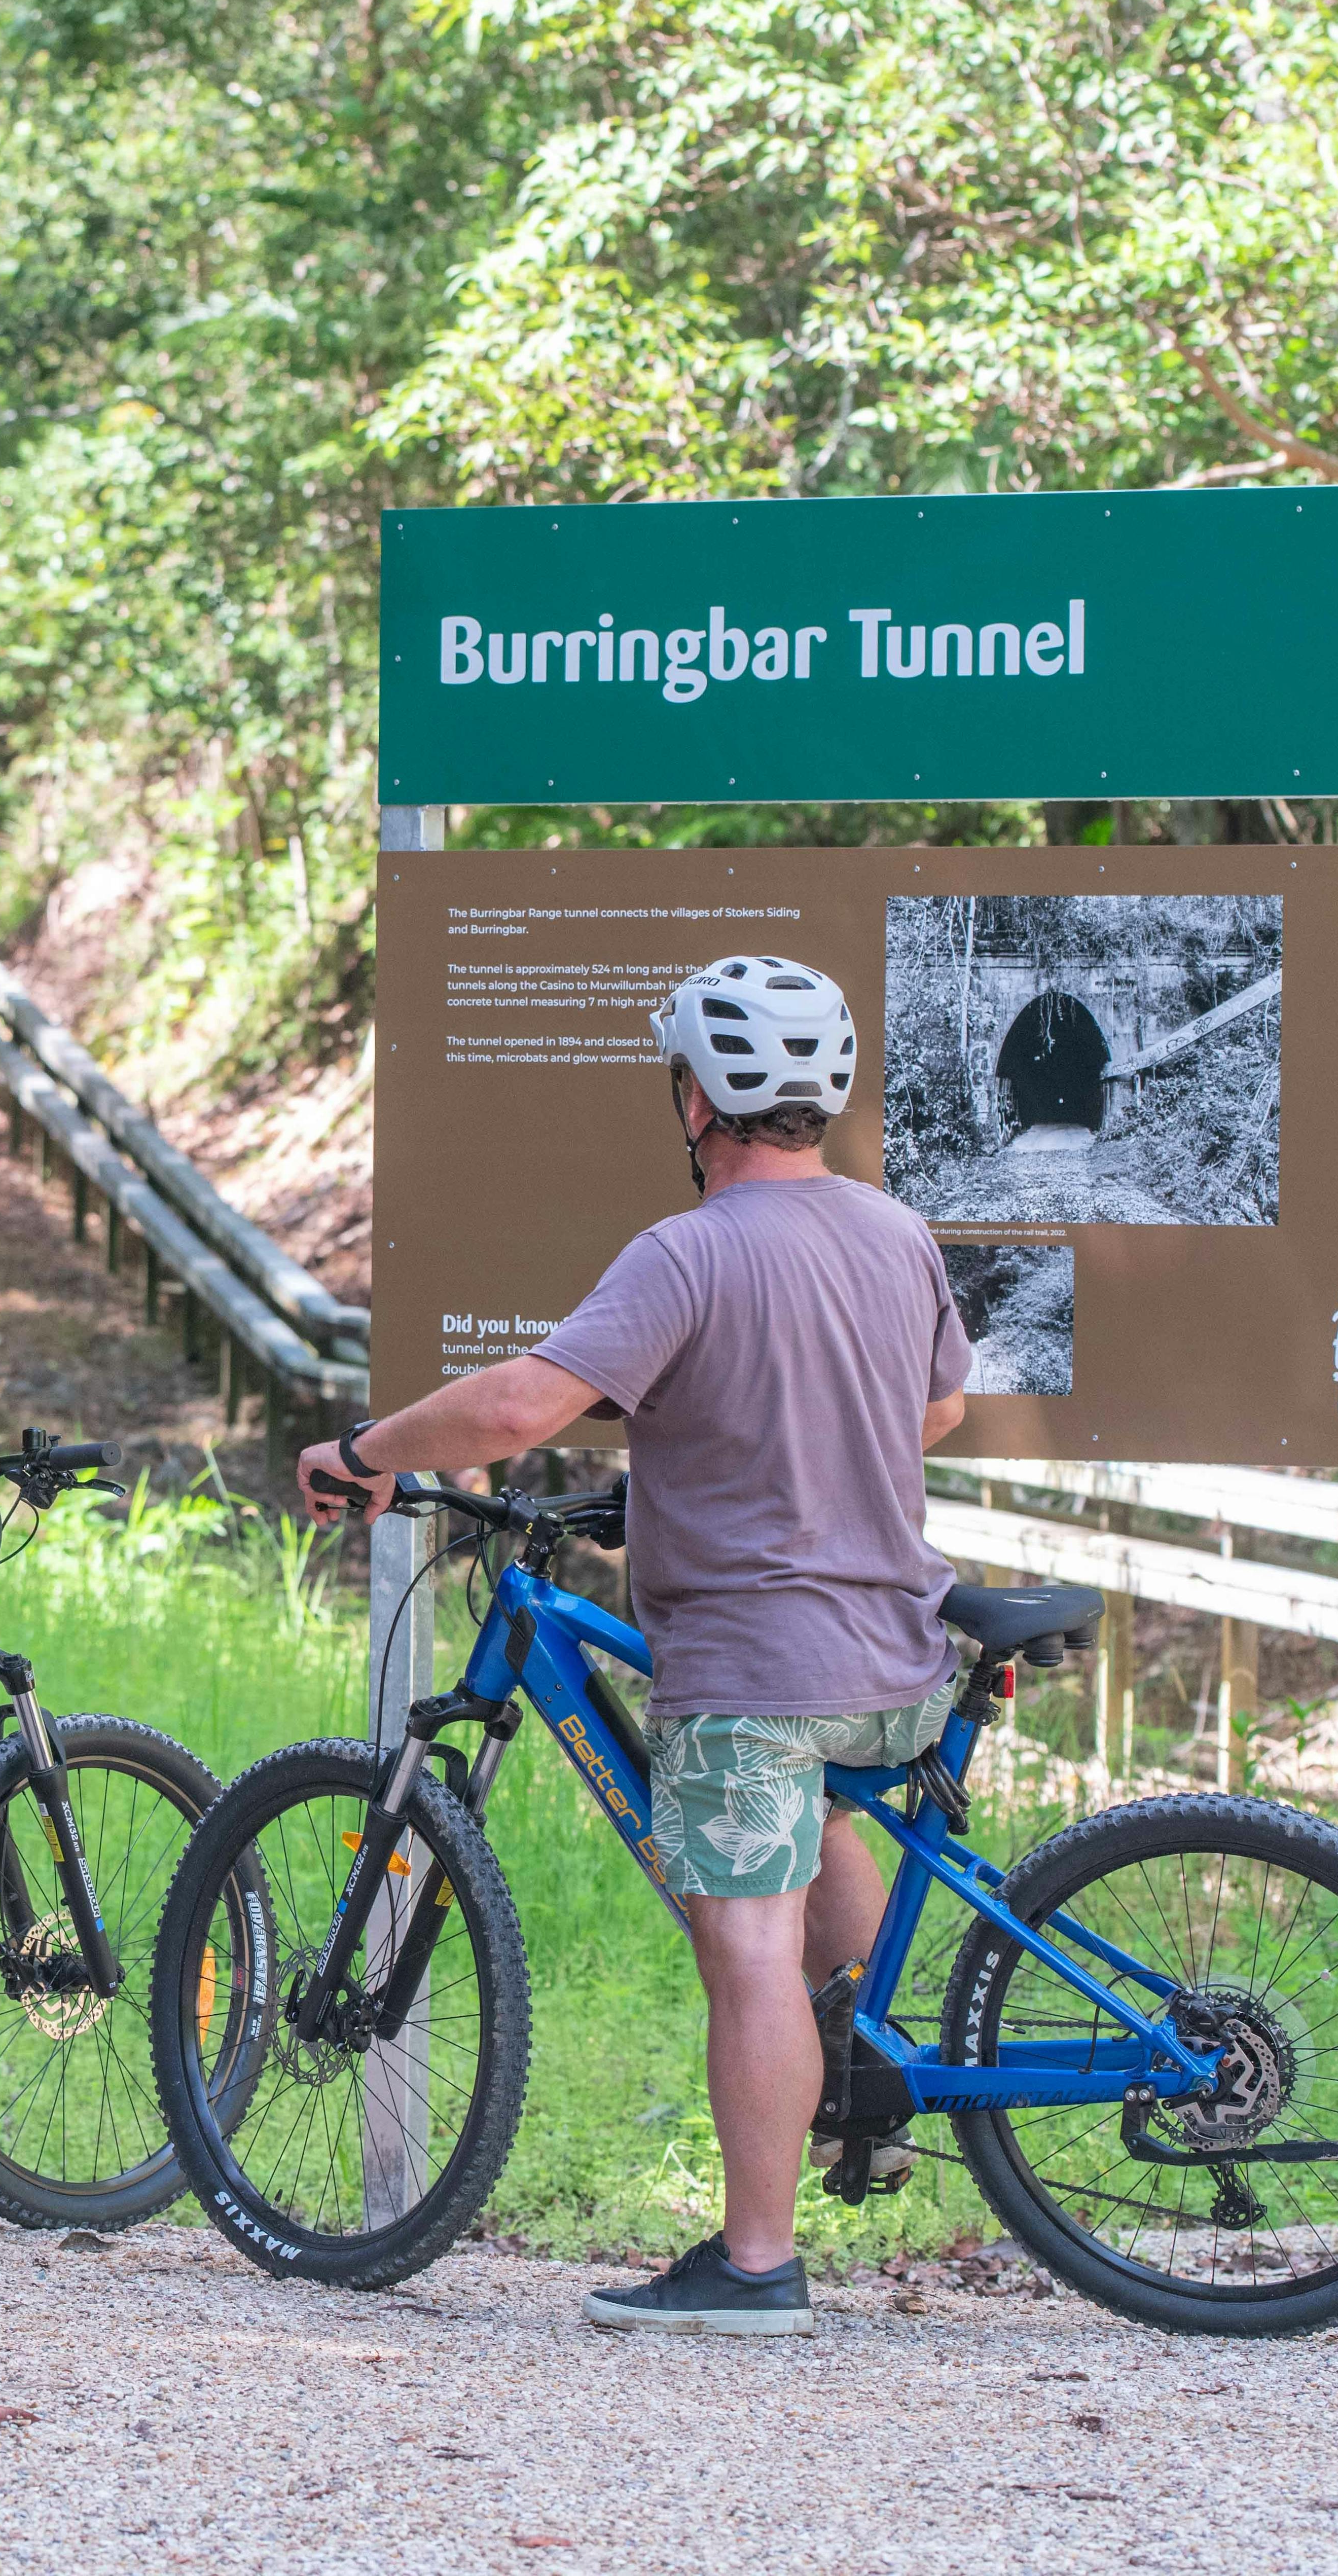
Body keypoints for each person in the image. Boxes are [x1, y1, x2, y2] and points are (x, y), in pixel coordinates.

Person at [297, 953, 969, 2339]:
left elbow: (519, 1407)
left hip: (757, 1671)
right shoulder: (895, 1234)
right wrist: (771, 1453)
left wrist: (368, 1452)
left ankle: (758, 2264)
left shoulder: (692, 1251)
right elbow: (939, 1410)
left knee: (746, 1952)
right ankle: (855, 2083)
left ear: (698, 1099)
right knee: (814, 1850)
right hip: (892, 1653)